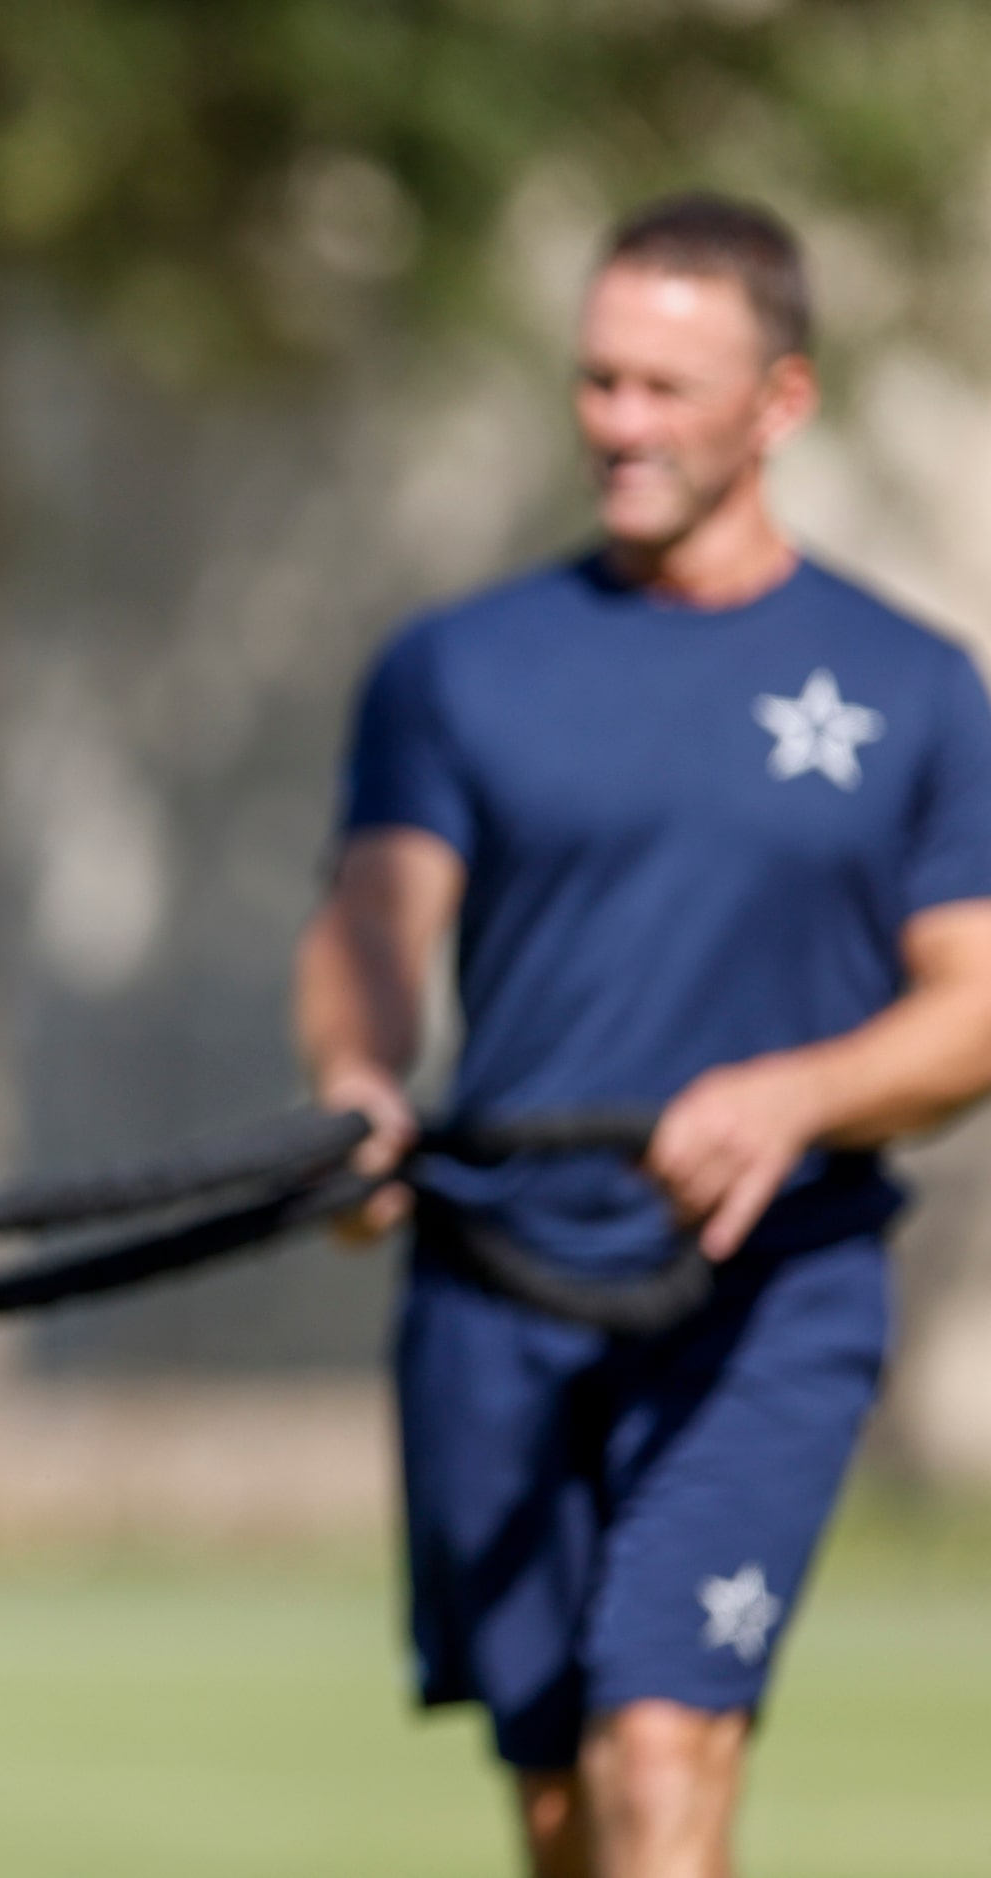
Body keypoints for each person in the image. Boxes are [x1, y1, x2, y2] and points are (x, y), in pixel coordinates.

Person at [297, 193, 991, 1878]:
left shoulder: (911, 685)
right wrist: (359, 1089)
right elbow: (375, 920)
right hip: (497, 1294)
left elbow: (978, 1000)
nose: (619, 423)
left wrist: (803, 1093)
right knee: (560, 1798)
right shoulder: (458, 666)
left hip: (768, 1295)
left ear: (783, 400)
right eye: (600, 381)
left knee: (665, 1745)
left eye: (668, 388)